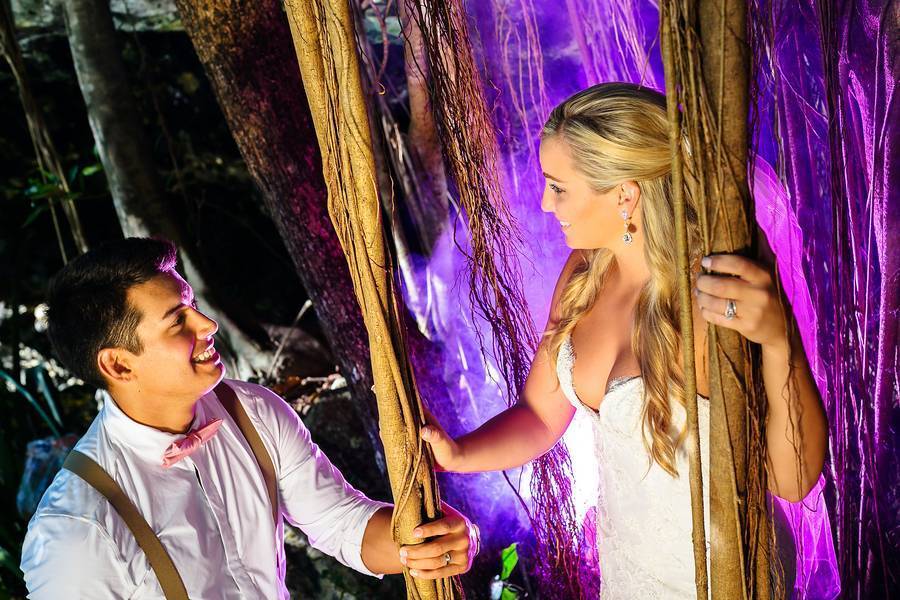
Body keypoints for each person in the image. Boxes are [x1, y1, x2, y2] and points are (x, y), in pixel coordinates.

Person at [420, 83, 828, 598]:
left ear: (625, 195)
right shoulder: (582, 274)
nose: (546, 204)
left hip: (722, 578)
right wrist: (458, 453)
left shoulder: (713, 294)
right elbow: (541, 415)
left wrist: (778, 342)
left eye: (559, 187)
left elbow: (791, 481)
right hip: (629, 575)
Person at [21, 237, 477, 598]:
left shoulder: (254, 412)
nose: (208, 326)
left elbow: (341, 524)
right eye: (178, 322)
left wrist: (423, 542)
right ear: (118, 365)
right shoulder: (75, 529)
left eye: (192, 307)